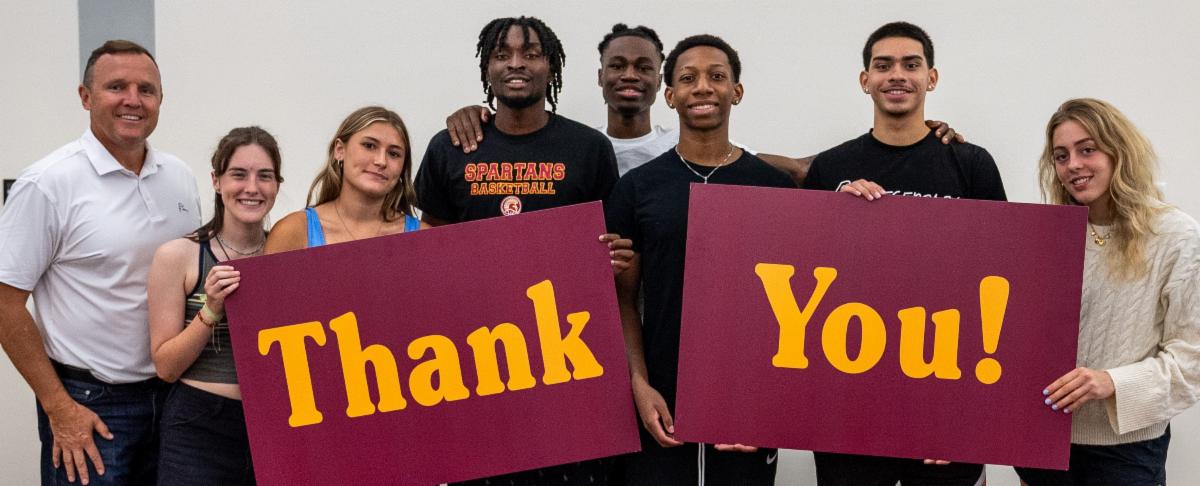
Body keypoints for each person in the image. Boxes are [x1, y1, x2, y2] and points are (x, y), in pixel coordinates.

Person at [415, 15, 630, 486]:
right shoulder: (450, 147)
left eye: (531, 54)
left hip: (565, 361)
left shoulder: (588, 148)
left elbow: (608, 243)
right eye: (502, 54)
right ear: (486, 67)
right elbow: (428, 243)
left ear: (550, 65)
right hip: (473, 362)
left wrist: (610, 261)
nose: (516, 64)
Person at [801, 21, 1006, 485]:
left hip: (946, 396)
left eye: (911, 65)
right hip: (850, 398)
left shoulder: (971, 163)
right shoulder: (831, 169)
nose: (897, 75)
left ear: (931, 78)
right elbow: (809, 283)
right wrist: (840, 217)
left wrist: (973, 417)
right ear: (865, 80)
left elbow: (999, 284)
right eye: (883, 65)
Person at [0, 40, 200, 486]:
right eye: (116, 87)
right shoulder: (48, 184)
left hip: (172, 395)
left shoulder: (180, 178)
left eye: (146, 89)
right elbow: (5, 304)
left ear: (161, 100)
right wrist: (58, 406)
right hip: (91, 404)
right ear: (85, 97)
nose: (133, 99)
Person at [606, 33, 792, 485]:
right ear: (670, 96)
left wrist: (767, 403)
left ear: (737, 91)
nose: (703, 87)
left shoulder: (772, 188)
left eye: (717, 77)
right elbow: (623, 301)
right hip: (660, 397)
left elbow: (794, 309)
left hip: (746, 404)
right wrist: (639, 384)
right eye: (688, 78)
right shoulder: (638, 188)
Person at [443, 23, 964, 183]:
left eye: (645, 67)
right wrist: (474, 115)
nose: (630, 76)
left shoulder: (690, 148)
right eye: (618, 67)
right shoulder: (575, 148)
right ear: (597, 77)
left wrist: (924, 140)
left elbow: (801, 170)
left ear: (659, 87)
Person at [1014, 98, 1200, 486]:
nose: (1073, 166)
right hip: (1042, 442)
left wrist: (1112, 381)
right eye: (1061, 156)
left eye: (1087, 149)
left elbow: (1192, 358)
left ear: (1120, 152)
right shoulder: (1046, 236)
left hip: (1126, 454)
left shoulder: (1175, 236)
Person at [147, 127, 283, 485]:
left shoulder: (286, 257)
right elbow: (166, 367)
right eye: (238, 174)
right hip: (199, 426)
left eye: (264, 176)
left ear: (277, 185)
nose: (252, 187)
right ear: (216, 181)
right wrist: (210, 310)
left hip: (275, 427)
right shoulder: (179, 256)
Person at [265, 106, 421, 253]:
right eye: (369, 145)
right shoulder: (293, 232)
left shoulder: (423, 237)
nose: (381, 161)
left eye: (394, 154)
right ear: (339, 150)